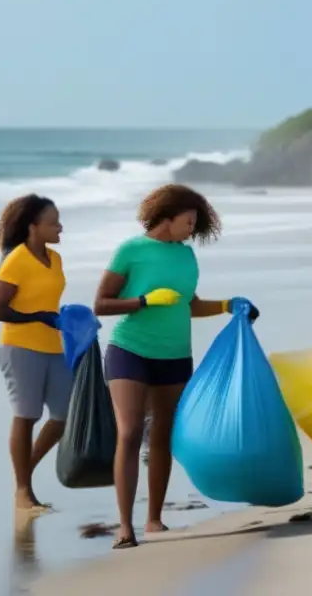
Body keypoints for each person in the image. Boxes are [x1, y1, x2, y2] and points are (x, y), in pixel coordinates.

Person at [94, 184, 258, 549]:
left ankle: (154, 519)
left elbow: (189, 304)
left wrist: (227, 305)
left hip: (174, 354)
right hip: (129, 349)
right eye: (188, 220)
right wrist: (143, 300)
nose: (192, 228)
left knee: (163, 435)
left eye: (196, 222)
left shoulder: (186, 257)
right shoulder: (131, 251)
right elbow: (101, 304)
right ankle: (125, 526)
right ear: (166, 217)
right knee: (130, 432)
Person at [0, 194, 72, 512]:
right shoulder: (16, 260)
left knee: (64, 416)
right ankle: (23, 491)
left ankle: (24, 474)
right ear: (33, 226)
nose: (60, 227)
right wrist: (38, 316)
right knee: (27, 416)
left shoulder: (55, 259)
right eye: (53, 223)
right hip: (20, 347)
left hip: (54, 346)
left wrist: (69, 319)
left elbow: (48, 300)